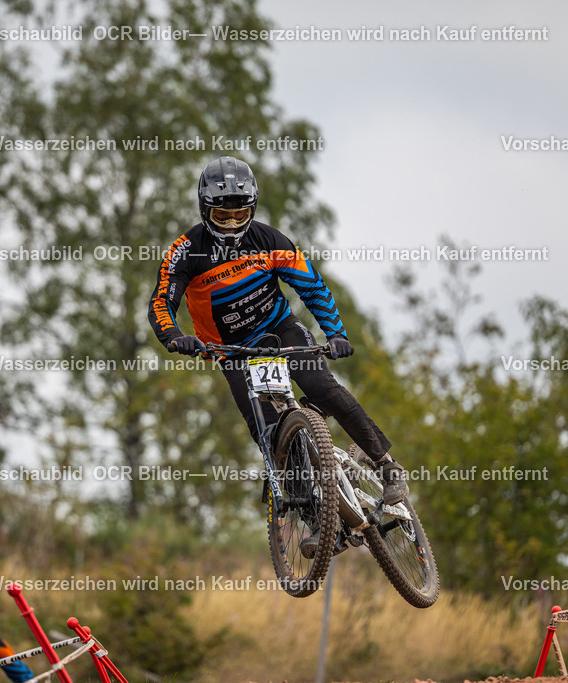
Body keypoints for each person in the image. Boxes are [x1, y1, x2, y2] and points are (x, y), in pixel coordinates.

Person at [148, 156, 409, 550]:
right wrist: (174, 336)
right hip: (232, 351)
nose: (231, 225)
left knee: (321, 387)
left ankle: (387, 466)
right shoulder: (186, 251)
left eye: (240, 215)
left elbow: (312, 287)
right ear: (204, 210)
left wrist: (336, 334)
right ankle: (316, 520)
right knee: (270, 437)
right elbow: (161, 302)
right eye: (222, 215)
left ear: (252, 209)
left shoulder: (271, 240)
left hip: (280, 331)